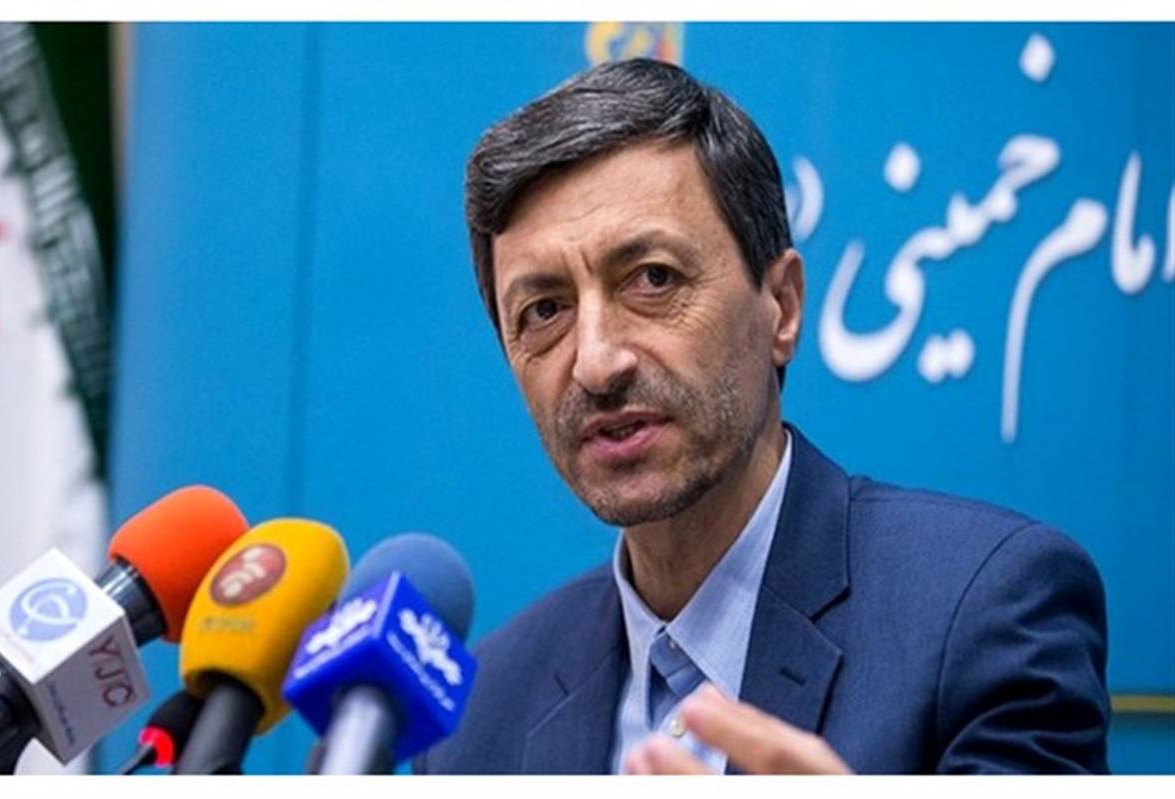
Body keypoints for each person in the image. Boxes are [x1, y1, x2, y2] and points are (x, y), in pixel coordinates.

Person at [416, 58, 1109, 774]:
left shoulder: (985, 612)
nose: (596, 362)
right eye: (544, 311)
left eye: (653, 279)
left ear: (782, 306)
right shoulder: (475, 723)